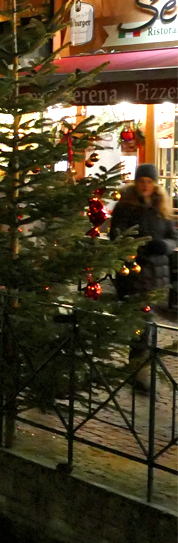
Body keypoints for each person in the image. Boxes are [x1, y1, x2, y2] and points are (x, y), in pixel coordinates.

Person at [111, 164, 177, 388]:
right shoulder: (126, 206)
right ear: (136, 183)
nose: (145, 185)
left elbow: (173, 237)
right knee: (143, 322)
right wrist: (141, 247)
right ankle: (138, 369)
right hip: (135, 272)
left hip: (158, 273)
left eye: (149, 182)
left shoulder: (162, 207)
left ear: (155, 184)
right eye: (142, 181)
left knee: (147, 322)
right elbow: (117, 237)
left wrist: (164, 246)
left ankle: (139, 366)